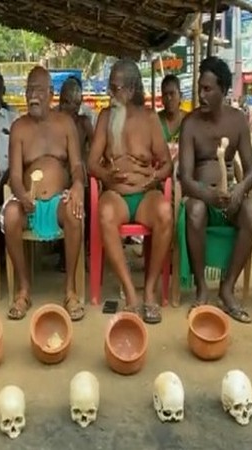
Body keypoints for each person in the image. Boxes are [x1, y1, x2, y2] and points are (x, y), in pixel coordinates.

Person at [87, 59, 173, 324]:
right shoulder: (105, 117)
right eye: (110, 88)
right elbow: (91, 163)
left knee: (165, 212)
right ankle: (129, 293)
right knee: (105, 213)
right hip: (117, 194)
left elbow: (168, 163)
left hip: (146, 194)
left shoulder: (149, 119)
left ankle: (148, 291)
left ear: (133, 89)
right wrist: (105, 175)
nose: (111, 94)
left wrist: (155, 178)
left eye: (117, 88)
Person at [176, 56, 252, 324]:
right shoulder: (190, 124)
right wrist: (206, 193)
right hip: (201, 196)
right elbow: (184, 177)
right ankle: (202, 289)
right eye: (200, 88)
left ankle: (227, 288)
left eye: (207, 89)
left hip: (229, 198)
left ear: (223, 90)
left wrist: (239, 190)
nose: (201, 95)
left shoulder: (237, 121)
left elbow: (251, 170)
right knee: (196, 211)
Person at [1, 66, 85, 321]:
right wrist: (22, 194)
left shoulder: (65, 123)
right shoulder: (19, 128)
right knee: (12, 216)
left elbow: (77, 166)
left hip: (59, 199)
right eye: (29, 90)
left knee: (74, 211)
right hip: (29, 201)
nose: (32, 96)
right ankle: (23, 289)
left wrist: (78, 186)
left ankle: (70, 290)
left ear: (51, 94)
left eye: (38, 90)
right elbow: (14, 174)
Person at [56, 75, 94, 271]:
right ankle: (63, 253)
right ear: (60, 99)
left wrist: (84, 163)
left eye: (76, 103)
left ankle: (84, 250)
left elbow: (96, 150)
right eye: (67, 102)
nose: (71, 107)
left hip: (78, 173)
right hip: (58, 175)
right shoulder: (51, 120)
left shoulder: (83, 122)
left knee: (86, 193)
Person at [158, 74, 186, 158]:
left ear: (180, 96)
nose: (169, 98)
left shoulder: (189, 120)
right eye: (165, 94)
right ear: (162, 98)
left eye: (172, 93)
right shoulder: (155, 121)